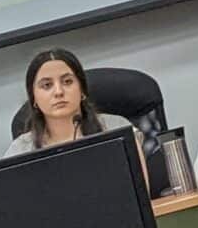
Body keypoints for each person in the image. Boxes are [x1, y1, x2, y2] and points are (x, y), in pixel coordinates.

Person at [7, 48, 135, 155]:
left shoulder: (117, 128)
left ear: (82, 90)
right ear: (34, 98)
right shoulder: (21, 149)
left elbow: (139, 184)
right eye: (47, 85)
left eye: (67, 82)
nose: (58, 92)